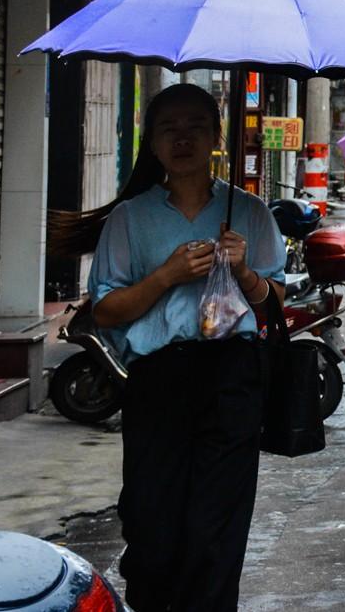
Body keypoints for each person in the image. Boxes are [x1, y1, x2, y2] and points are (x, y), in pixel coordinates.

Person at [50, 83, 286, 612]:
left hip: (231, 377)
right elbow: (105, 311)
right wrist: (167, 276)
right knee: (152, 523)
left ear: (216, 138)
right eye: (168, 129)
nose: (183, 139)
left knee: (217, 527)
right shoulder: (131, 219)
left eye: (196, 127)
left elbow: (274, 305)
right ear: (151, 144)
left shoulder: (248, 212)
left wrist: (244, 271)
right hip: (157, 380)